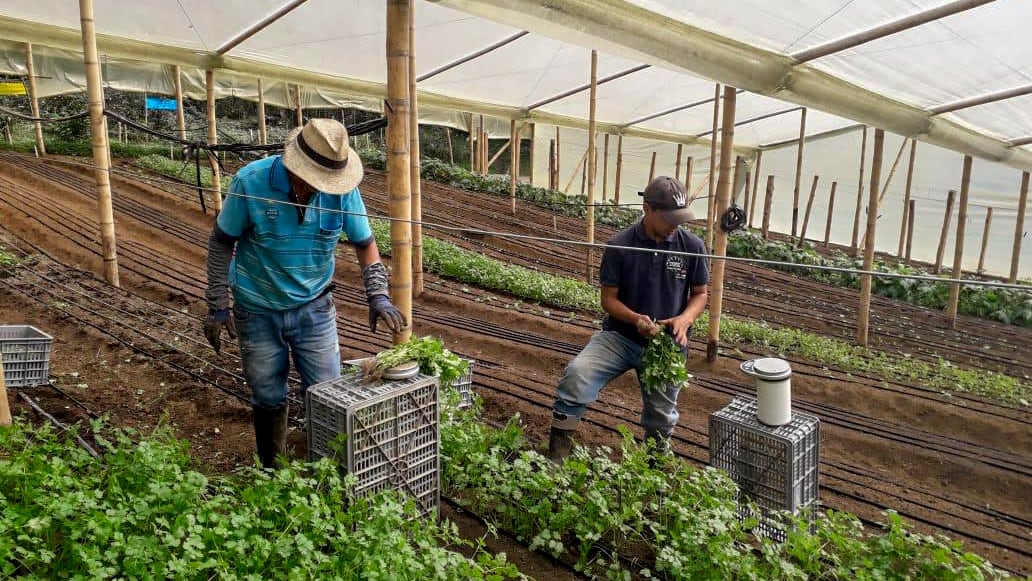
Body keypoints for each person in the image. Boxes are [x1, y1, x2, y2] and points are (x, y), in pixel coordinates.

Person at [203, 118, 405, 468]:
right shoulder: (251, 182)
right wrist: (218, 303)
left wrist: (378, 293)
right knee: (267, 395)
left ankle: (329, 471)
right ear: (294, 167)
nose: (319, 187)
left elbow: (365, 243)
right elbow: (222, 242)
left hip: (315, 309)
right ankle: (273, 468)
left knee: (327, 391)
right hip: (258, 309)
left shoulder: (342, 192)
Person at [547, 176, 709, 463]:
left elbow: (700, 294)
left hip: (667, 343)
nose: (677, 223)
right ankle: (557, 454)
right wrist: (636, 319)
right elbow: (608, 299)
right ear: (647, 209)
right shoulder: (620, 245)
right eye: (670, 217)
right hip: (620, 337)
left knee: (661, 414)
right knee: (577, 376)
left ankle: (655, 464)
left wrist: (685, 319)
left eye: (680, 217)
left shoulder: (692, 246)